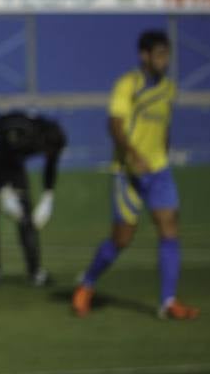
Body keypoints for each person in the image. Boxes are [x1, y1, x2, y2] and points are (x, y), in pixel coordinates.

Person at [71, 30, 200, 320]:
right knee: (121, 239)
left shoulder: (168, 88)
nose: (164, 61)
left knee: (169, 227)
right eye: (159, 55)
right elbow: (114, 124)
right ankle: (86, 284)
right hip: (128, 172)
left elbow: (164, 124)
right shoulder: (128, 84)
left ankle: (168, 302)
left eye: (167, 54)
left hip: (159, 170)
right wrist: (131, 153)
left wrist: (164, 153)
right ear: (145, 56)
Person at [0, 111, 66, 286]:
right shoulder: (19, 133)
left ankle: (35, 272)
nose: (48, 155)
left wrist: (48, 196)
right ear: (43, 142)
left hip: (11, 161)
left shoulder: (52, 140)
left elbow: (50, 165)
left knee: (25, 216)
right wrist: (5, 191)